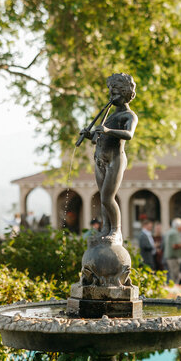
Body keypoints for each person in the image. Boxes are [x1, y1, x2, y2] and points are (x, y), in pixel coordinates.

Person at [79, 72, 138, 242]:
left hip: (115, 160)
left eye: (116, 91)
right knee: (102, 197)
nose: (111, 94)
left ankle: (116, 231)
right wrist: (89, 135)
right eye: (110, 91)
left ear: (125, 93)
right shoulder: (109, 115)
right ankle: (105, 228)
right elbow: (99, 140)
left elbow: (129, 134)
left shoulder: (129, 115)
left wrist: (108, 130)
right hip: (100, 160)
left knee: (107, 197)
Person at [163, 218, 181, 284]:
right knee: (174, 276)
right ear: (179, 226)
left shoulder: (169, 231)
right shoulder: (175, 232)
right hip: (173, 257)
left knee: (170, 276)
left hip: (168, 256)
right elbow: (175, 245)